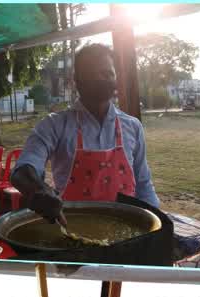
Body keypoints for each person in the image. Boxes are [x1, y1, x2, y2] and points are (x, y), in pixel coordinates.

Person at [11, 44, 159, 227]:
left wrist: (157, 223)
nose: (104, 77)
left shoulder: (133, 127)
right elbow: (23, 170)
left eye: (109, 73)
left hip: (126, 234)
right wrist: (39, 189)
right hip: (73, 235)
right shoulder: (54, 125)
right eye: (93, 73)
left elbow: (144, 185)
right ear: (77, 81)